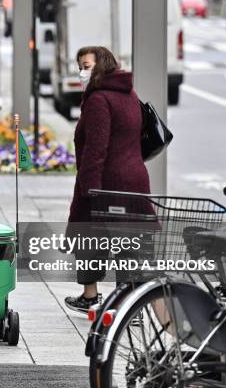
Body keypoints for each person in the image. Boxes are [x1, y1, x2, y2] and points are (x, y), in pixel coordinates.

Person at [64, 46, 150, 313]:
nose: (82, 72)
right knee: (128, 244)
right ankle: (130, 306)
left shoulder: (99, 100)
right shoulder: (129, 94)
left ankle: (90, 296)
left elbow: (96, 148)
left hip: (106, 182)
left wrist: (88, 188)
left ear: (102, 66)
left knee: (87, 236)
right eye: (80, 66)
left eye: (87, 66)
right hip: (134, 180)